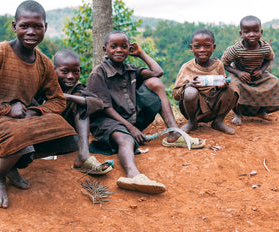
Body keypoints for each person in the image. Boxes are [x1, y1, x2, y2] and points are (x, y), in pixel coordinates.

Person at [0, 0, 79, 209]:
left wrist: (34, 112)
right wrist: (5, 110)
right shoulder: (0, 52)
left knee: (68, 137)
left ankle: (10, 162)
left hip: (20, 122)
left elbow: (58, 100)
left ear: (45, 28)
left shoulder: (42, 62)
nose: (31, 31)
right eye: (24, 26)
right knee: (20, 138)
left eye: (37, 26)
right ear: (15, 27)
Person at [87, 31, 204, 194]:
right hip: (107, 121)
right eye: (113, 47)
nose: (119, 50)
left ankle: (174, 133)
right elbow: (106, 108)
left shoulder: (130, 69)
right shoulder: (98, 74)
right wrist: (131, 128)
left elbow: (158, 72)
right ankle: (132, 174)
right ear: (104, 49)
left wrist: (141, 54)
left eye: (124, 46)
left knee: (155, 82)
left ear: (129, 49)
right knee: (125, 138)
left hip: (130, 116)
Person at [53, 49, 113, 175]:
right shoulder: (44, 86)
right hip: (41, 139)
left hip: (68, 141)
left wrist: (68, 97)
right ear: (54, 70)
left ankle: (84, 154)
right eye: (65, 71)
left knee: (82, 103)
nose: (71, 76)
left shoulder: (78, 88)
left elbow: (98, 103)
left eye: (76, 72)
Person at [172, 29, 239, 135]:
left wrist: (222, 86)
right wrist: (188, 85)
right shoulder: (186, 67)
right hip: (194, 109)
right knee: (190, 92)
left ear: (214, 47)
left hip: (214, 106)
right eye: (197, 46)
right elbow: (175, 95)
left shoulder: (218, 65)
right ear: (191, 48)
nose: (202, 50)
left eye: (207, 46)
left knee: (232, 87)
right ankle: (192, 122)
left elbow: (221, 86)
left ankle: (218, 121)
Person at [221, 15, 279, 125]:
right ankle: (238, 113)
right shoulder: (236, 49)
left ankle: (261, 110)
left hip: (258, 76)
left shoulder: (265, 47)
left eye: (256, 31)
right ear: (241, 34)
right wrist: (239, 73)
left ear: (261, 32)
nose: (252, 34)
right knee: (234, 87)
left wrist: (261, 70)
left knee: (275, 82)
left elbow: (269, 59)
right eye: (247, 32)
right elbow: (224, 64)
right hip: (240, 77)